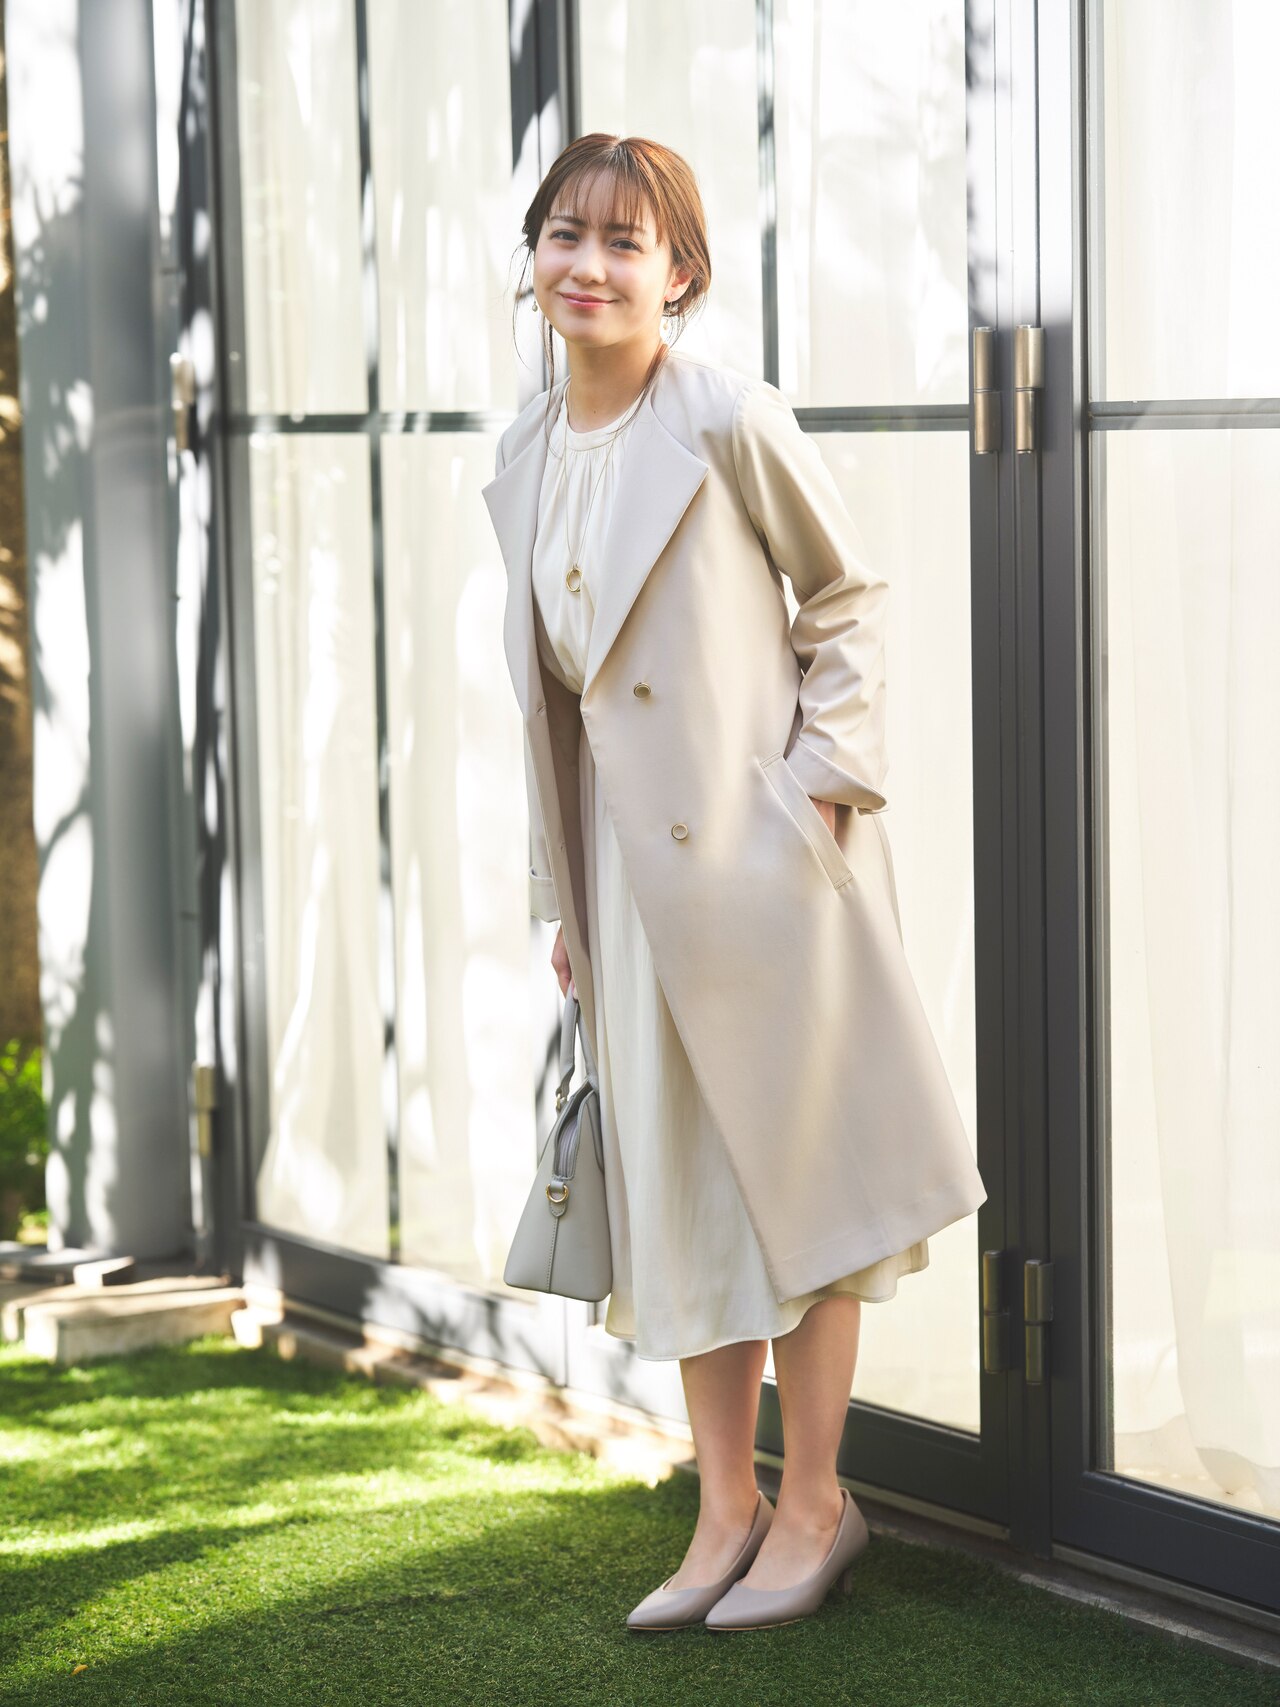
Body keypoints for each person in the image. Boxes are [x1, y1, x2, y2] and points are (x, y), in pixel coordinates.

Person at [482, 133, 987, 1633]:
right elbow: (555, 705)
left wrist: (816, 789)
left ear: (680, 273)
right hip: (630, 890)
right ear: (534, 254)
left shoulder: (726, 418)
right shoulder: (526, 446)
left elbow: (847, 599)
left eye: (623, 242)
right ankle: (724, 1510)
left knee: (804, 1181)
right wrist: (566, 900)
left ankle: (816, 1503)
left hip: (768, 866)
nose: (587, 266)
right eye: (564, 235)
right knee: (690, 1200)